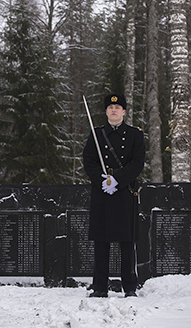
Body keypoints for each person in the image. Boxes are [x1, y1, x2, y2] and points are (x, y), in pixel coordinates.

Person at [82, 94, 145, 298]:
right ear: (106, 111)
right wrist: (102, 180)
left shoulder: (135, 135)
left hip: (124, 193)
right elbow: (88, 160)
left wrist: (116, 179)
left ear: (124, 111)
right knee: (102, 241)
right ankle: (100, 287)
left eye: (118, 107)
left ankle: (130, 287)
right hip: (103, 194)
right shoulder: (97, 134)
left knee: (127, 242)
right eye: (110, 107)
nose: (114, 110)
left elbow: (137, 163)